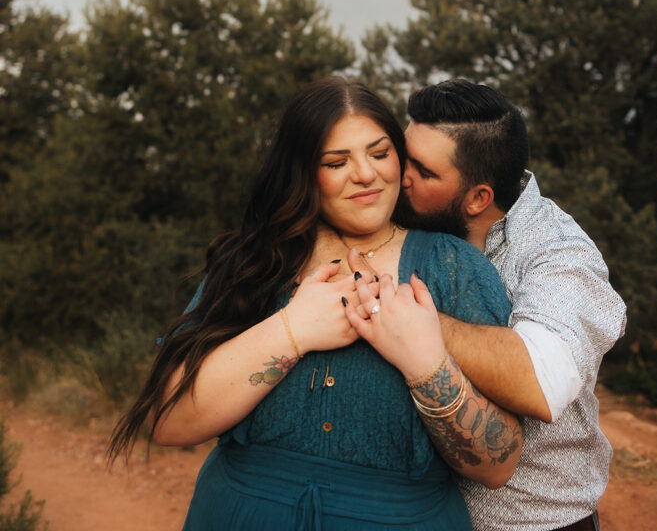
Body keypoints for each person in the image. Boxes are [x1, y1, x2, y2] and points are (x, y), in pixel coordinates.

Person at [108, 77, 522, 530]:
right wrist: (293, 330)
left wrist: (427, 365)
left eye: (380, 153)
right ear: (304, 172)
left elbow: (497, 466)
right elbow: (168, 422)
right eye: (336, 161)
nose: (365, 174)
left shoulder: (454, 267)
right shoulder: (254, 261)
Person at [395, 77, 627, 531]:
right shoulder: (412, 220)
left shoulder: (559, 255)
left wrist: (403, 316)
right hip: (420, 514)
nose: (400, 178)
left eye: (423, 172)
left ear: (478, 197)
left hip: (529, 522)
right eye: (403, 158)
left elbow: (540, 382)